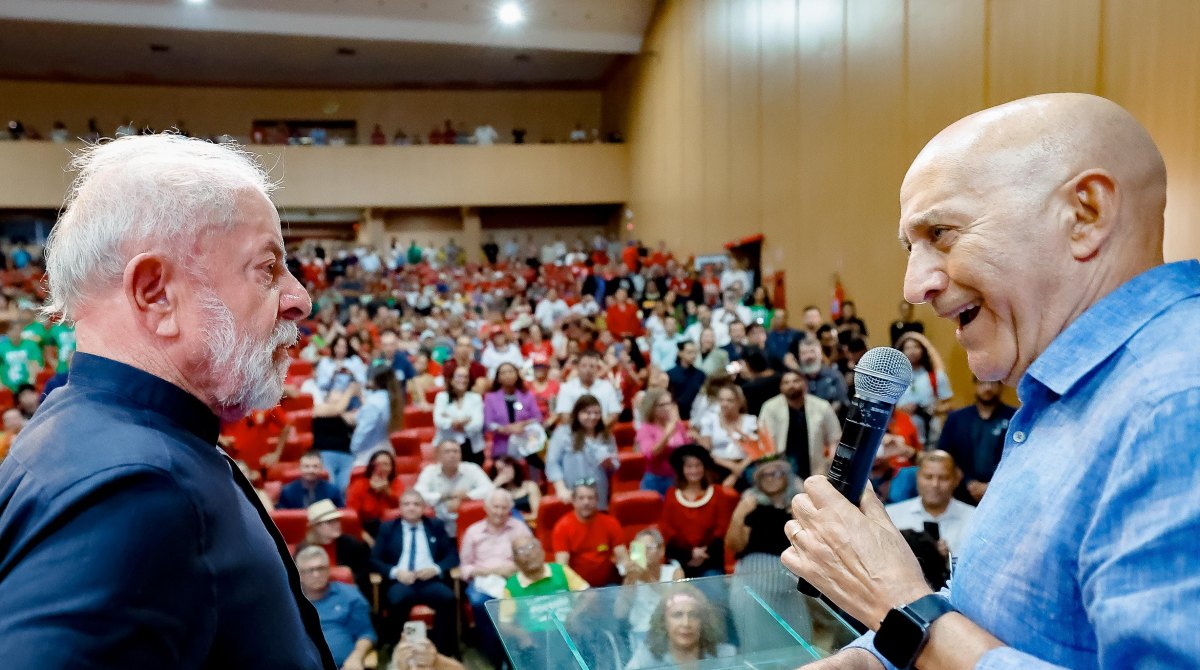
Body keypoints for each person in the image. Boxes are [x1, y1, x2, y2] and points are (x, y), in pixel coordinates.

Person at [784, 94, 1200, 670]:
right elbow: (999, 614)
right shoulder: (1060, 396)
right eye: (912, 248)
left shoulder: (1178, 403)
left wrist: (901, 605)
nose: (914, 286)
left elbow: (927, 622)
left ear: (1086, 213)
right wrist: (863, 662)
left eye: (943, 233)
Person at [0, 136, 333, 666]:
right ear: (156, 294)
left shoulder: (93, 431)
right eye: (267, 268)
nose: (299, 299)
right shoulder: (138, 490)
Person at [372, 490, 459, 656]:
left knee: (448, 598)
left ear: (423, 508)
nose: (411, 508)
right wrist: (396, 572)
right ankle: (400, 650)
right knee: (396, 599)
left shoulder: (435, 526)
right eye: (407, 504)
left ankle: (440, 651)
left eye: (416, 504)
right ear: (400, 508)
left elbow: (452, 555)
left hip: (430, 580)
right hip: (401, 581)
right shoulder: (388, 528)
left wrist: (435, 568)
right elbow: (374, 560)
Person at [459, 489, 532, 665]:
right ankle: (494, 651)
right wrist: (493, 571)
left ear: (510, 509)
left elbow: (530, 556)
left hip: (515, 578)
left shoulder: (519, 527)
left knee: (524, 599)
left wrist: (513, 569)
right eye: (495, 507)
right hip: (484, 581)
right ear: (486, 508)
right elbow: (465, 568)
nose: (499, 512)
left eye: (504, 508)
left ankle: (522, 649)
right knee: (479, 602)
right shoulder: (473, 532)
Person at [938, 377, 1017, 504]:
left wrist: (992, 485)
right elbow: (945, 455)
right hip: (960, 493)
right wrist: (968, 482)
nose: (988, 388)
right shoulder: (956, 419)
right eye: (983, 383)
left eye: (993, 383)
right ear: (975, 385)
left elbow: (1019, 457)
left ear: (1002, 385)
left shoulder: (1015, 418)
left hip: (1002, 493)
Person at [296, 545, 375, 670]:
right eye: (309, 570)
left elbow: (365, 633)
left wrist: (356, 657)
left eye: (320, 568)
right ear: (299, 574)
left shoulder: (350, 596)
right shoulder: (289, 601)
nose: (316, 574)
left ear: (328, 570)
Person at [658, 444, 732, 578]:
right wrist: (690, 554)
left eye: (698, 465)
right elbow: (667, 531)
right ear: (682, 469)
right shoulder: (671, 495)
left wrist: (701, 554)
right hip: (680, 561)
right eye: (689, 466)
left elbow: (722, 530)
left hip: (711, 560)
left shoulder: (718, 494)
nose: (694, 470)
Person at [885, 451, 976, 556]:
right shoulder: (891, 515)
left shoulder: (973, 519)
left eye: (943, 478)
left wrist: (949, 562)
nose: (935, 484)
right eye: (928, 477)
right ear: (917, 477)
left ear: (956, 479)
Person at [625, 583, 736, 669]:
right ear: (664, 621)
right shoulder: (646, 658)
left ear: (703, 621)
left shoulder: (726, 655)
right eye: (677, 615)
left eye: (694, 615)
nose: (686, 623)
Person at [757, 370, 840, 482]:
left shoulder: (822, 406)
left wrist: (828, 464)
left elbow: (834, 438)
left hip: (815, 468)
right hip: (781, 470)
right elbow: (764, 440)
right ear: (781, 387)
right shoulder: (769, 408)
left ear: (805, 384)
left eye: (795, 381)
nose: (791, 385)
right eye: (786, 382)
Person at [616, 528, 685, 652]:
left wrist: (649, 579)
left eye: (650, 547)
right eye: (640, 548)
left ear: (661, 550)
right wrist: (629, 582)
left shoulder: (675, 572)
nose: (645, 552)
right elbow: (619, 612)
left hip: (670, 631)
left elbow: (679, 604)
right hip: (641, 634)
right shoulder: (632, 576)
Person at [545, 394, 619, 508]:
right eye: (587, 413)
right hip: (571, 492)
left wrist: (609, 465)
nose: (592, 417)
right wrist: (561, 489)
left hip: (598, 492)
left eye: (596, 413)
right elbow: (552, 462)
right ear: (577, 413)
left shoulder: (606, 436)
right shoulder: (564, 433)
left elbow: (614, 465)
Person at [552, 480, 629, 587]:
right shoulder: (562, 527)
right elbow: (562, 566)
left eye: (590, 498)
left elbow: (622, 557)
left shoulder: (611, 523)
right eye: (581, 498)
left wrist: (628, 578)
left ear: (597, 500)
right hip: (578, 588)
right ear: (573, 500)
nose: (586, 502)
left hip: (607, 585)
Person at [413, 440, 492, 537]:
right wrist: (446, 496)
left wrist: (466, 496)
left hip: (470, 525)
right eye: (447, 452)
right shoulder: (429, 471)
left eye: (456, 451)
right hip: (438, 528)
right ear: (438, 456)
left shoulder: (472, 468)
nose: (452, 455)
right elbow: (417, 495)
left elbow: (490, 490)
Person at [302, 499, 374, 600]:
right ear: (315, 527)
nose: (336, 524)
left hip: (347, 596)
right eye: (329, 522)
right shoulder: (304, 549)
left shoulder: (352, 545)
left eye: (337, 520)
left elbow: (362, 578)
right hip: (314, 598)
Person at [895, 331, 954, 446]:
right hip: (903, 433)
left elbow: (949, 405)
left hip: (932, 432)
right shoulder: (895, 378)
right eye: (907, 348)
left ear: (923, 350)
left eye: (916, 347)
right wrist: (901, 409)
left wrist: (934, 409)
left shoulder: (936, 376)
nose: (912, 351)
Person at [696, 384, 758, 486]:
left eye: (730, 400)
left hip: (745, 466)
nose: (724, 404)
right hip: (718, 466)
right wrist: (732, 466)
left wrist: (737, 471)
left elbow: (755, 449)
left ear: (739, 402)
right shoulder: (710, 420)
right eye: (721, 400)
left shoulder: (750, 421)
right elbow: (706, 450)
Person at [635, 388, 691, 496]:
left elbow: (687, 448)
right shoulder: (646, 428)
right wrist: (667, 434)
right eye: (662, 405)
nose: (668, 408)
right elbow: (650, 454)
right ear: (652, 408)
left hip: (679, 478)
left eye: (669, 403)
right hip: (656, 481)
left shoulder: (677, 425)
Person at [349, 363, 404, 470]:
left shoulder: (374, 402)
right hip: (385, 448)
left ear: (375, 380)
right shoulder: (391, 398)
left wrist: (353, 448)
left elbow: (364, 430)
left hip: (369, 454)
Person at [484, 362, 544, 460]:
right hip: (502, 447)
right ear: (498, 378)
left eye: (510, 372)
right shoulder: (490, 398)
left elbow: (538, 418)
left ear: (517, 375)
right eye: (503, 373)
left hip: (526, 444)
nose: (507, 375)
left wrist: (522, 425)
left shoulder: (527, 395)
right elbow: (488, 423)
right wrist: (506, 429)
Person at [433, 366, 486, 465]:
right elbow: (439, 421)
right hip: (447, 447)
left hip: (472, 448)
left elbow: (477, 425)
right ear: (451, 379)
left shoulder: (476, 398)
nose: (463, 380)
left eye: (466, 377)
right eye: (459, 376)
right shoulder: (442, 397)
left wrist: (450, 419)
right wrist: (463, 421)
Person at [555, 349, 622, 427]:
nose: (588, 370)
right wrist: (583, 431)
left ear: (597, 368)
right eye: (584, 366)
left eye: (592, 366)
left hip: (602, 432)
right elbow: (564, 416)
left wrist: (596, 430)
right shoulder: (567, 388)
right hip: (575, 434)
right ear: (577, 368)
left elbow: (614, 415)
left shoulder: (607, 387)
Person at [345, 449, 404, 537]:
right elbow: (352, 516)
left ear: (392, 468)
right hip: (365, 531)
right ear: (371, 467)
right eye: (377, 465)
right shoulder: (359, 485)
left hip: (392, 529)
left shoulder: (397, 483)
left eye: (386, 464)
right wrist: (365, 537)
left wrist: (387, 491)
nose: (381, 468)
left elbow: (404, 505)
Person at [279, 450, 346, 509]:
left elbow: (341, 515)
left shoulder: (333, 491)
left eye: (315, 466)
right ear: (300, 468)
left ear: (321, 468)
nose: (311, 470)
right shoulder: (287, 492)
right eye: (306, 466)